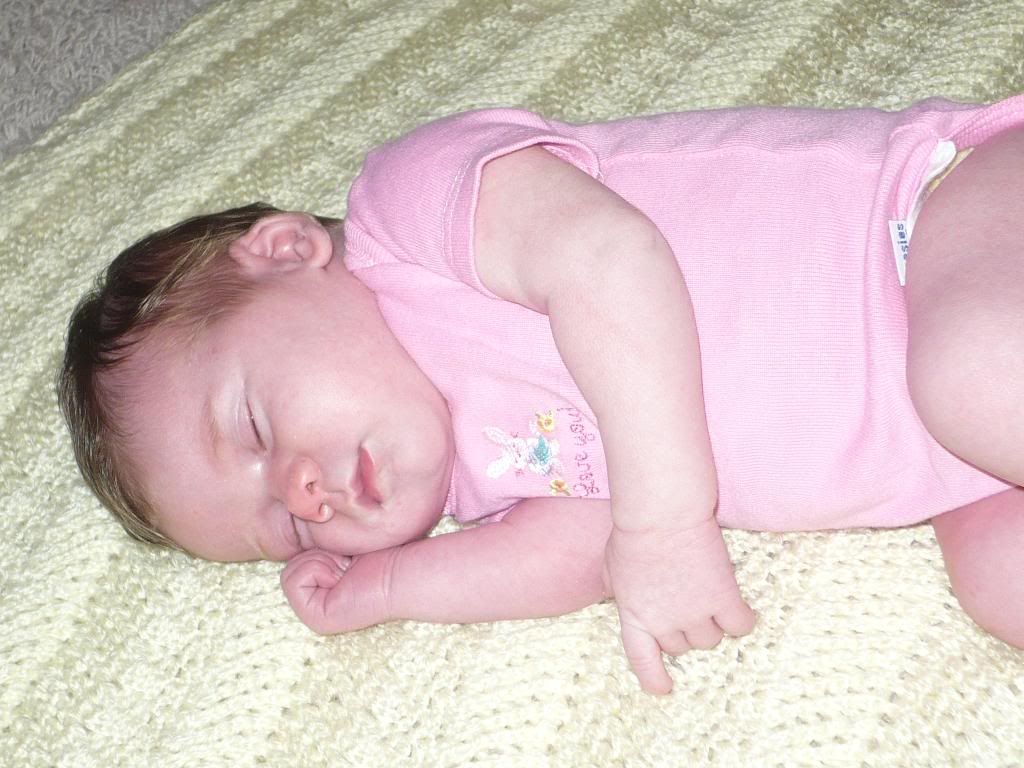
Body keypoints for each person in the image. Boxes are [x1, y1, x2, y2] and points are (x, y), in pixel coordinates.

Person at [60, 95, 1024, 695]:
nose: (305, 494)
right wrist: (385, 588)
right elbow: (581, 552)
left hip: (930, 221)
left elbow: (608, 258)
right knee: (1001, 582)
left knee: (974, 376)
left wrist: (662, 526)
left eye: (256, 426)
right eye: (283, 527)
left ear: (283, 253)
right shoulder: (485, 474)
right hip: (954, 463)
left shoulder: (409, 212)